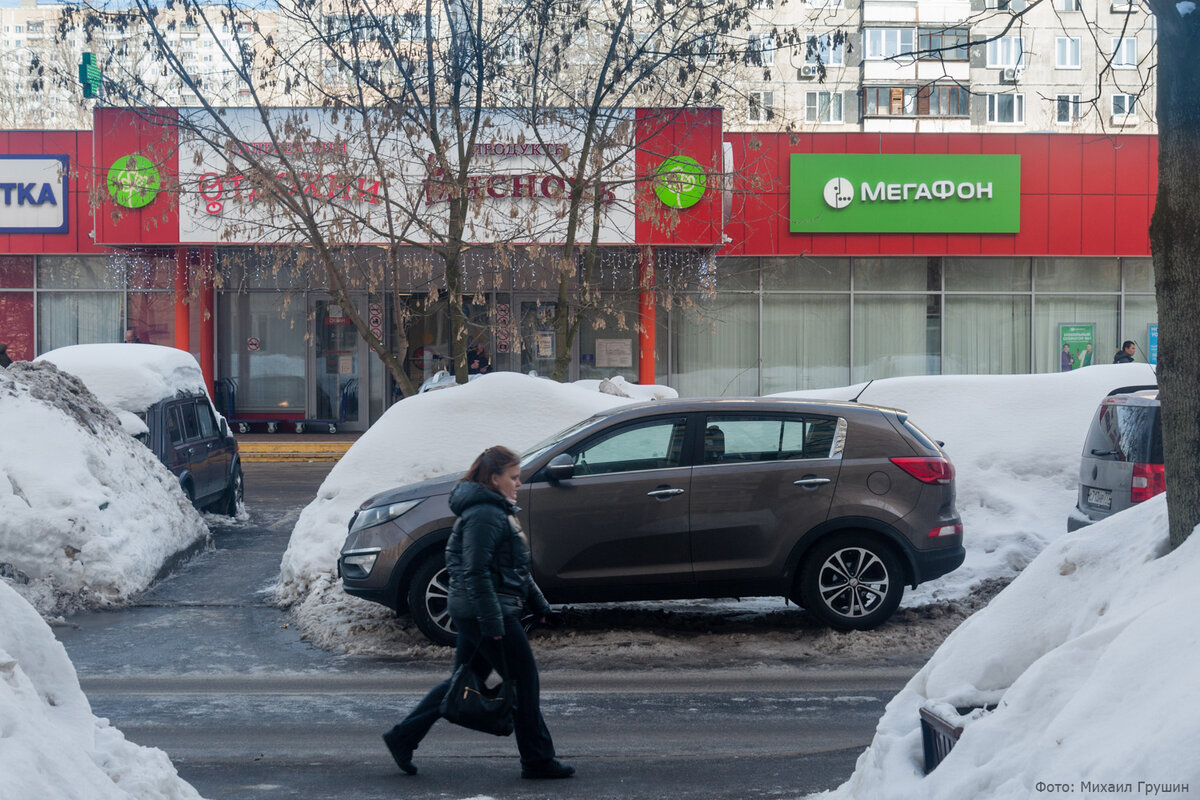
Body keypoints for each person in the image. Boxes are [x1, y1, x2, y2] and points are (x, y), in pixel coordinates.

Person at [381, 446, 574, 780]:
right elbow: (475, 571)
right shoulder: (485, 514)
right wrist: (491, 621)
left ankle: (403, 737)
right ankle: (537, 759)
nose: (518, 483)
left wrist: (539, 606)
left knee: (460, 681)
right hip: (484, 611)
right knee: (525, 679)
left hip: (480, 610)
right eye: (513, 477)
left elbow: (514, 568)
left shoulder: (497, 510)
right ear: (494, 478)